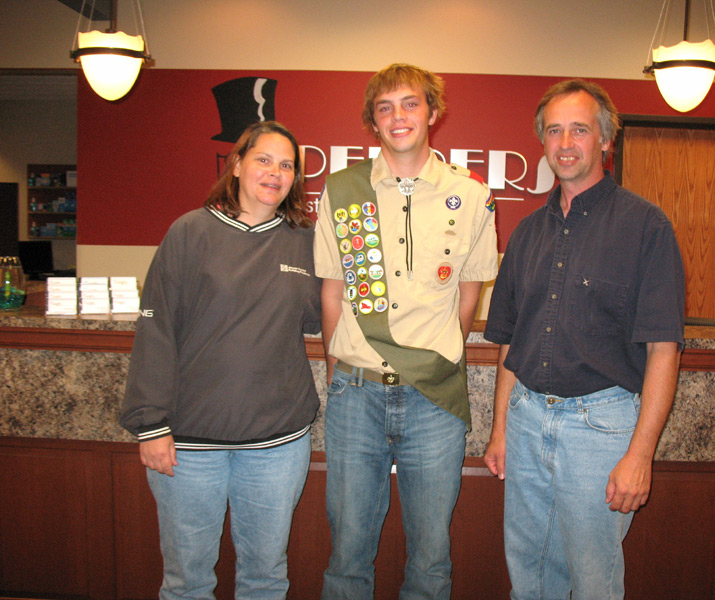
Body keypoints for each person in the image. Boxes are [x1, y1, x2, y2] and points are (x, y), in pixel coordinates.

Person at [483, 79, 685, 599]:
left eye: (579, 129)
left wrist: (641, 454)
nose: (566, 143)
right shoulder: (527, 233)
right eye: (554, 131)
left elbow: (663, 350)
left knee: (594, 581)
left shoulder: (647, 227)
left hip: (600, 428)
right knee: (528, 573)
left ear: (605, 140)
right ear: (543, 142)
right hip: (526, 421)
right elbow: (509, 344)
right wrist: (501, 429)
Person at [313, 63, 498, 599]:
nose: (399, 116)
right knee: (347, 553)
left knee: (431, 555)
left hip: (433, 399)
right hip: (356, 394)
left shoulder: (471, 194)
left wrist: (436, 358)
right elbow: (331, 293)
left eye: (411, 103)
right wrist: (339, 369)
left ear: (432, 112)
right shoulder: (342, 190)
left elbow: (469, 294)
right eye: (385, 107)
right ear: (373, 121)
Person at [120, 121, 321, 599]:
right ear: (236, 164)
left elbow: (321, 318)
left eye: (286, 165)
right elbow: (156, 329)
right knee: (186, 582)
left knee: (265, 577)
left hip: (277, 443)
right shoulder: (190, 232)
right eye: (263, 160)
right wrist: (150, 424)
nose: (275, 172)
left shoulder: (306, 241)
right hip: (189, 444)